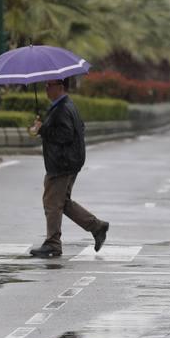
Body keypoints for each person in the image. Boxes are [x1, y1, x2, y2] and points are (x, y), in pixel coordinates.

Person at [28, 77, 109, 258]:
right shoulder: (65, 105)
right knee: (62, 202)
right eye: (45, 85)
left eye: (49, 85)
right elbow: (79, 127)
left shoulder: (62, 108)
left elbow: (65, 134)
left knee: (52, 203)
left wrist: (43, 130)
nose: (46, 89)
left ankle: (52, 244)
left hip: (61, 164)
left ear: (61, 87)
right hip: (69, 162)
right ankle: (97, 227)